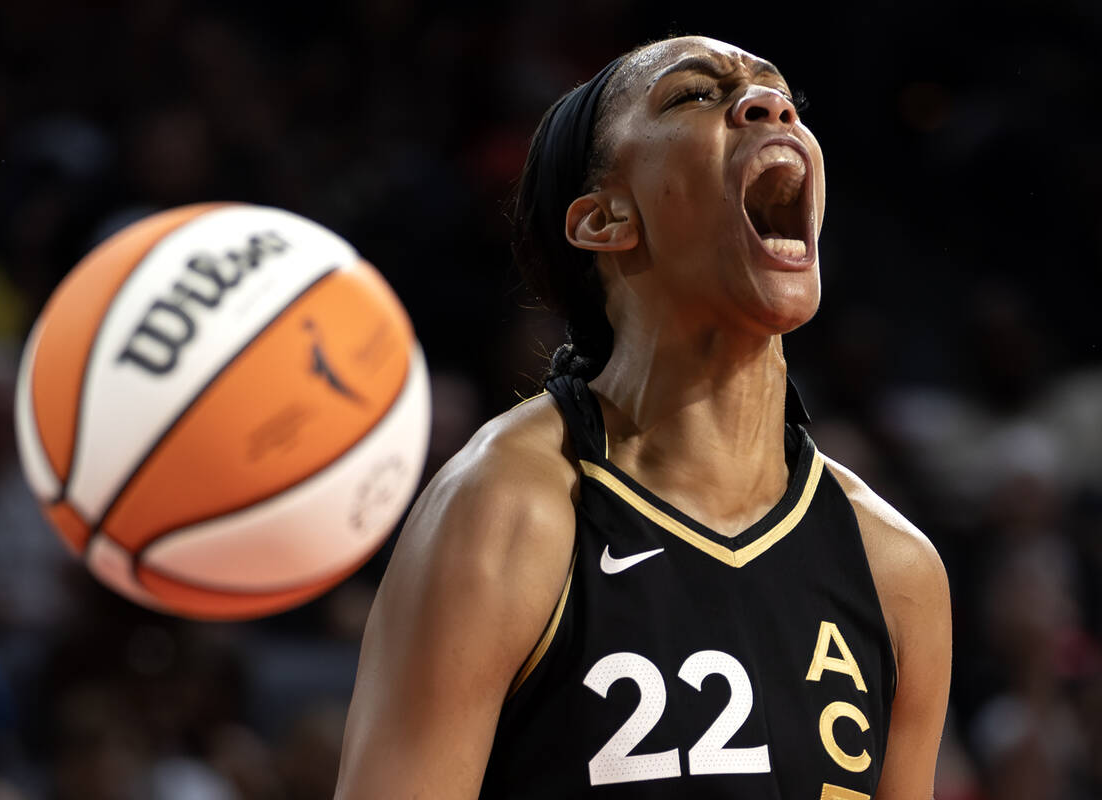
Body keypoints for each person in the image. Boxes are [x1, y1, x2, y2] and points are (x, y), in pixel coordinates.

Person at [334, 35, 951, 799]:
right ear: (604, 220)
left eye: (780, 94)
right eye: (696, 95)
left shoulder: (895, 568)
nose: (770, 106)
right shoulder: (510, 509)